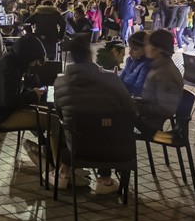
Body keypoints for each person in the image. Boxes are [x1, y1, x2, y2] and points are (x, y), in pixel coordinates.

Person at [54, 38, 138, 194]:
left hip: (77, 149)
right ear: (90, 55)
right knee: (105, 127)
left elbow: (60, 113)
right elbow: (130, 110)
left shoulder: (60, 83)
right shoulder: (112, 80)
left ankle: (63, 172)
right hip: (115, 150)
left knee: (68, 126)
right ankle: (104, 179)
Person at [118, 30, 152, 96]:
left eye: (135, 49)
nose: (130, 53)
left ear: (146, 49)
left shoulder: (146, 66)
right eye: (130, 48)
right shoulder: (130, 60)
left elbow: (138, 91)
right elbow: (121, 78)